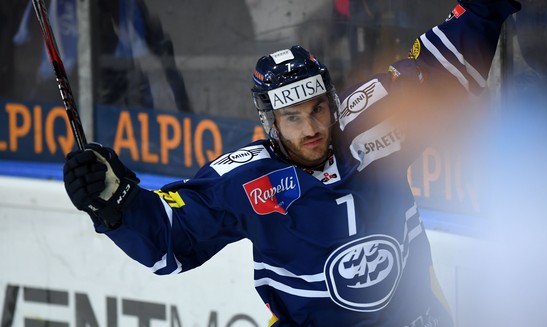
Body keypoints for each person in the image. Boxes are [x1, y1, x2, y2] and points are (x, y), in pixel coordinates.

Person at [63, 0, 520, 326]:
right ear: (270, 122)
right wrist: (114, 202)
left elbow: (444, 67)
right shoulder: (245, 180)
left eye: (318, 108)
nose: (311, 129)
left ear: (332, 100)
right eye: (292, 117)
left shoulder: (376, 120)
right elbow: (168, 240)